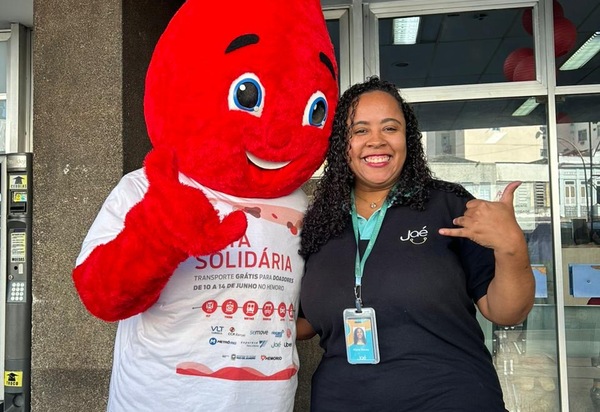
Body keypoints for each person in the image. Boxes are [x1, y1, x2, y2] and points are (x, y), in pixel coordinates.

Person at [71, 0, 338, 411]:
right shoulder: (147, 188)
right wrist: (158, 234)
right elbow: (101, 296)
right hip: (160, 400)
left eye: (315, 110)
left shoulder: (300, 203)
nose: (279, 134)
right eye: (247, 94)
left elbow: (305, 306)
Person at [297, 76, 535, 411]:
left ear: (408, 138)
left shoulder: (448, 204)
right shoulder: (319, 219)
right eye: (360, 130)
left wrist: (512, 247)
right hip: (342, 398)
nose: (376, 141)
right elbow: (304, 323)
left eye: (390, 128)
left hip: (450, 398)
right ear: (341, 142)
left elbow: (506, 312)